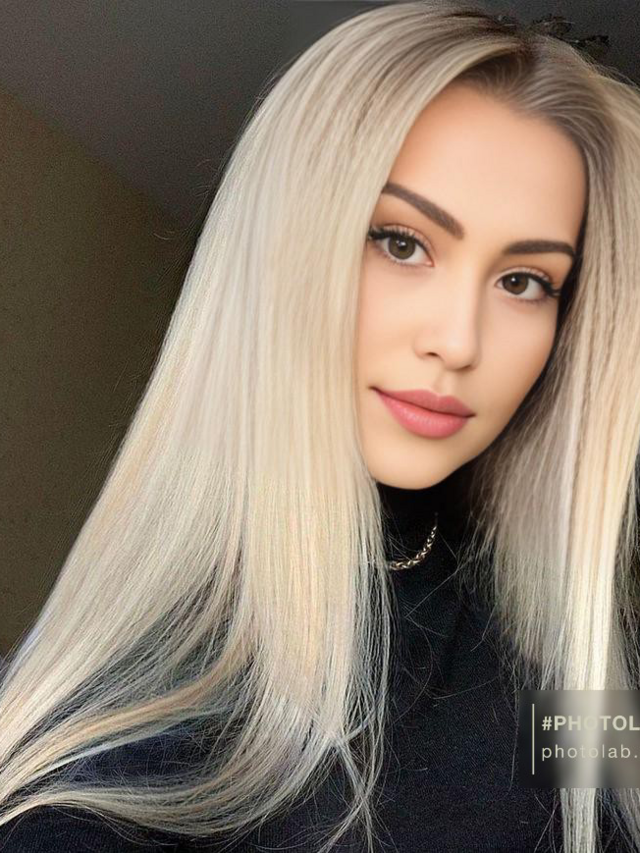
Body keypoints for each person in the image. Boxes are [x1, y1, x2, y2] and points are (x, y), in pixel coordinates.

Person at [0, 1, 639, 851]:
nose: (458, 341)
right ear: (283, 250)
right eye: (401, 242)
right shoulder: (109, 752)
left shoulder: (565, 642)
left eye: (524, 281)